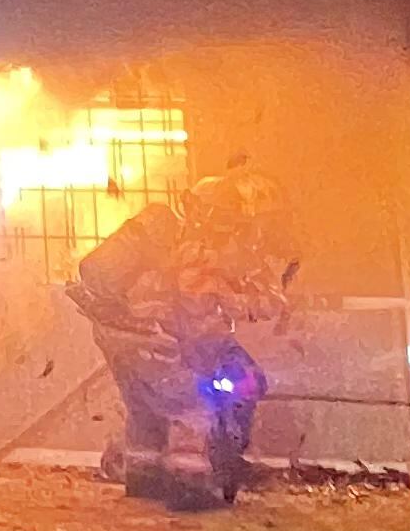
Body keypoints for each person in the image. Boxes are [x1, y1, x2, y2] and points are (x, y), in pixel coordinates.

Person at [68, 167, 294, 491]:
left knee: (145, 412)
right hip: (166, 342)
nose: (224, 224)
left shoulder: (168, 234)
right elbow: (211, 298)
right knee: (193, 407)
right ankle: (191, 483)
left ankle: (144, 475)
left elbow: (264, 299)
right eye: (223, 216)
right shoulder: (201, 246)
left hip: (129, 340)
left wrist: (242, 299)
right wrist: (238, 299)